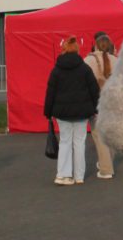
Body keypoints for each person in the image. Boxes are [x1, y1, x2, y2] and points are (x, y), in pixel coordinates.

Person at [44, 36, 99, 186]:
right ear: (77, 50)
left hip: (62, 113)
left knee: (65, 142)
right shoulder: (85, 69)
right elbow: (94, 90)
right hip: (82, 112)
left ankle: (63, 175)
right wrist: (96, 108)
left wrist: (47, 112)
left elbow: (50, 92)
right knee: (79, 143)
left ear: (64, 49)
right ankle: (79, 176)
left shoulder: (56, 70)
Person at [83, 32, 118, 179]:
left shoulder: (87, 61)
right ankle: (107, 161)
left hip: (96, 102)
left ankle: (106, 168)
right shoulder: (116, 60)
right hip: (113, 102)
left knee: (99, 136)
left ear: (95, 45)